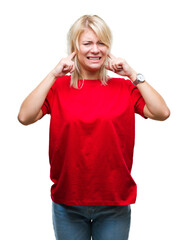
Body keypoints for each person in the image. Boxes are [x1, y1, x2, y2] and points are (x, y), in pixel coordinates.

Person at [18, 15, 170, 240]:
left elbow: (162, 113)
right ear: (75, 48)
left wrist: (132, 74)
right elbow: (25, 116)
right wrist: (52, 74)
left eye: (101, 43)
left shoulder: (124, 87)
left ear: (108, 47)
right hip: (68, 201)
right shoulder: (58, 87)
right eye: (87, 43)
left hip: (114, 202)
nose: (95, 50)